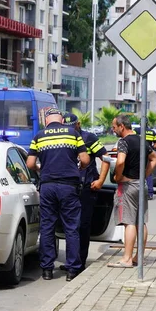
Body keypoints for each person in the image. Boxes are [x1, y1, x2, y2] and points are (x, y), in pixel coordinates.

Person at [26, 108, 91, 281]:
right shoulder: (73, 134)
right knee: (71, 228)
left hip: (47, 186)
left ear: (46, 122)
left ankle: (47, 270)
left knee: (47, 227)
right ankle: (72, 270)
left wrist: (40, 169)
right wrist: (79, 169)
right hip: (69, 186)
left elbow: (30, 163)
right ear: (61, 121)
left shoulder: (39, 136)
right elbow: (85, 160)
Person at [59, 112, 110, 272]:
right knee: (70, 227)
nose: (70, 130)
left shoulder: (89, 138)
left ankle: (80, 262)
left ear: (78, 124)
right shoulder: (63, 139)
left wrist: (101, 180)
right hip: (68, 188)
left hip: (86, 189)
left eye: (72, 127)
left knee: (83, 226)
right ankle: (71, 261)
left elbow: (105, 158)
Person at [108, 115, 156, 268]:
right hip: (141, 184)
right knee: (140, 222)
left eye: (114, 127)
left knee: (129, 222)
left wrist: (118, 176)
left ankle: (127, 259)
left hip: (128, 186)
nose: (113, 130)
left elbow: (121, 161)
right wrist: (145, 174)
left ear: (122, 126)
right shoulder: (141, 139)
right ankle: (138, 257)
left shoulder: (123, 142)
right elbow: (155, 158)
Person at [134, 126, 156, 200]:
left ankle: (137, 192)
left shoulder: (136, 130)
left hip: (138, 154)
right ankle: (150, 193)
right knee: (149, 174)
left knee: (136, 172)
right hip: (148, 154)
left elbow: (133, 139)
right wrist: (151, 148)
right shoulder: (152, 132)